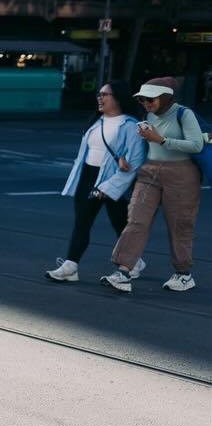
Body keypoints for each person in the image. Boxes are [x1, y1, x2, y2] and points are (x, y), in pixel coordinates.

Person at [100, 78, 206, 293]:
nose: (146, 104)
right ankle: (123, 271)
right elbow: (141, 143)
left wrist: (161, 140)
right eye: (142, 100)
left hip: (181, 173)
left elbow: (196, 145)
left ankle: (183, 274)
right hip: (149, 171)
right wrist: (124, 156)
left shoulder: (183, 114)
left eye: (150, 99)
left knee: (180, 225)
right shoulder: (147, 115)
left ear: (166, 97)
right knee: (136, 221)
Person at [46, 81, 147, 283]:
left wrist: (108, 188)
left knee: (120, 224)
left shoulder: (129, 125)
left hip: (113, 180)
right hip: (89, 177)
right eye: (99, 94)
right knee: (82, 222)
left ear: (117, 98)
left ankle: (133, 262)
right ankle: (70, 266)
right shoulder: (96, 122)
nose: (99, 98)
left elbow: (134, 163)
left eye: (104, 95)